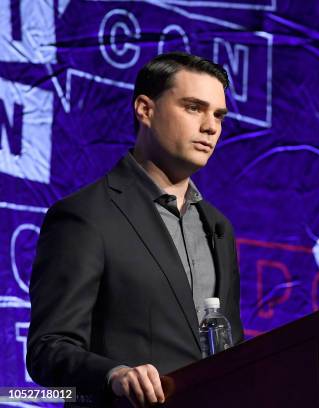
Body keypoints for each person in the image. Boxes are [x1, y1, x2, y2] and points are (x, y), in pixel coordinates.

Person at [27, 52, 244, 407]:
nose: (211, 126)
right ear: (145, 109)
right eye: (194, 107)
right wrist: (114, 375)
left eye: (218, 115)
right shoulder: (85, 216)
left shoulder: (219, 227)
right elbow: (48, 349)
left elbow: (231, 348)